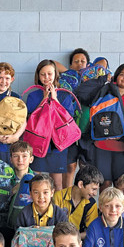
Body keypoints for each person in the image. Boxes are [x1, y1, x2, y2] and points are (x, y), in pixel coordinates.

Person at [23, 59, 79, 191]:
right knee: (34, 181)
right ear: (38, 76)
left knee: (57, 183)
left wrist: (55, 99)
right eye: (43, 74)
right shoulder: (33, 95)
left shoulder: (64, 95)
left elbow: (68, 119)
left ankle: (56, 211)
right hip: (38, 142)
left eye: (50, 73)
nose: (46, 77)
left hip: (56, 144)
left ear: (55, 74)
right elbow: (30, 118)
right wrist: (44, 99)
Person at [89, 63, 124, 185]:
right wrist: (103, 80)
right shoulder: (103, 93)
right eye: (122, 74)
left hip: (123, 148)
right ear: (115, 76)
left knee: (122, 184)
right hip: (102, 146)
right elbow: (82, 92)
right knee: (104, 183)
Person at [53, 163, 103, 232]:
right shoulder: (58, 197)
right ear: (81, 184)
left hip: (78, 239)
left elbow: (91, 231)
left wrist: (73, 238)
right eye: (93, 189)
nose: (95, 194)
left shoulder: (91, 203)